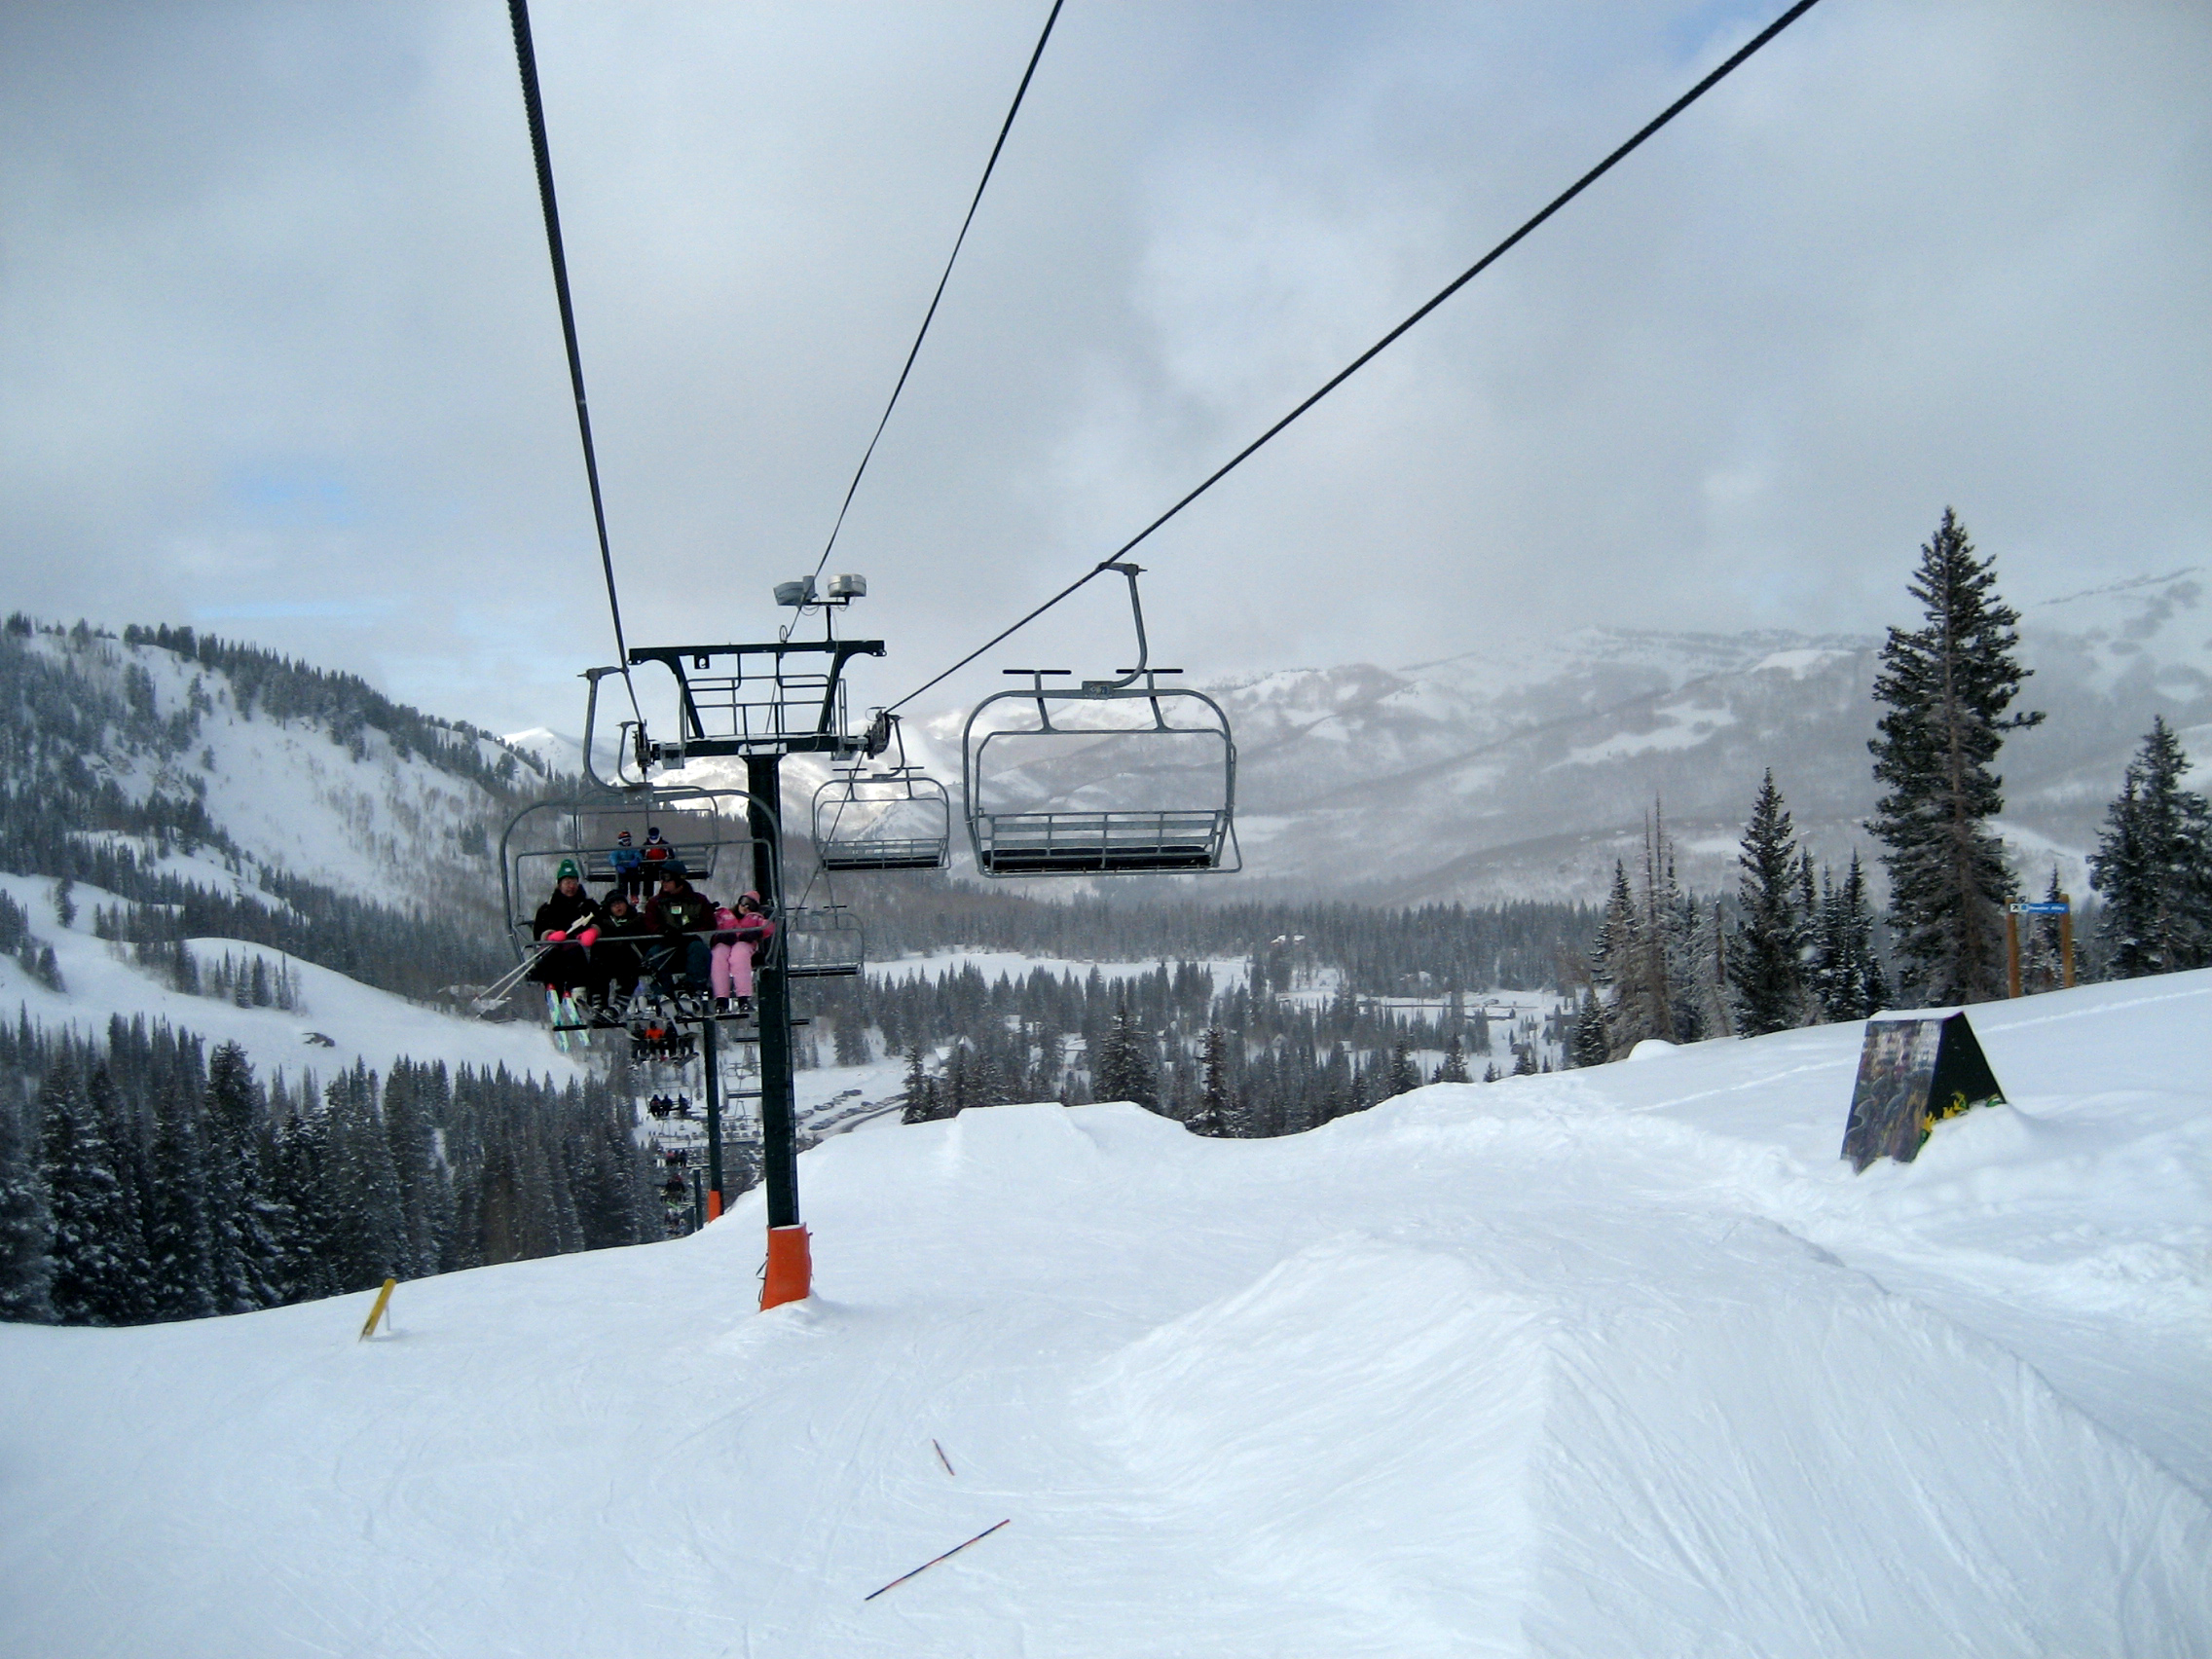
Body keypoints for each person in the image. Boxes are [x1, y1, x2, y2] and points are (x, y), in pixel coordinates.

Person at [642, 866, 718, 1005]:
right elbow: (650, 924)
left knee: (699, 950)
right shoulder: (656, 903)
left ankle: (693, 990)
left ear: (679, 880)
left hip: (690, 943)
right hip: (666, 943)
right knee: (655, 955)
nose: (663, 882)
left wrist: (692, 930)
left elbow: (710, 924)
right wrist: (663, 931)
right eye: (661, 878)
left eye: (666, 878)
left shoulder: (698, 900)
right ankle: (664, 993)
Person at [530, 859, 600, 1000]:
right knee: (551, 961)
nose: (571, 886)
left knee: (578, 959)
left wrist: (593, 931)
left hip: (579, 949)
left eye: (573, 882)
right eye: (567, 882)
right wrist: (549, 936)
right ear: (559, 884)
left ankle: (578, 993)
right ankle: (554, 994)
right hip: (556, 950)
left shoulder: (588, 905)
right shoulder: (548, 908)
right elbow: (539, 931)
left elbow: (599, 920)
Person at [586, 886, 651, 1014]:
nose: (618, 907)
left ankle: (619, 1005)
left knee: (629, 973)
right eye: (614, 904)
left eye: (620, 903)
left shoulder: (637, 919)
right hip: (607, 959)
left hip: (630, 958)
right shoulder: (603, 922)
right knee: (597, 969)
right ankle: (599, 1002)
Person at [711, 890, 777, 1014]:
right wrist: (719, 936)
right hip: (725, 943)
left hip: (743, 944)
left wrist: (757, 932)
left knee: (739, 955)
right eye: (744, 902)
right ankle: (721, 999)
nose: (745, 907)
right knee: (718, 955)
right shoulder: (724, 915)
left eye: (750, 905)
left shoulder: (755, 918)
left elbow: (769, 926)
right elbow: (712, 924)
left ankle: (743, 998)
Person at [608, 830, 647, 901]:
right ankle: (623, 895)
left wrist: (637, 859)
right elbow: (612, 857)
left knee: (635, 880)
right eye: (625, 840)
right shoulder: (618, 850)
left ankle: (634, 895)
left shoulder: (632, 849)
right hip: (622, 868)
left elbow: (638, 854)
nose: (627, 842)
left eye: (628, 840)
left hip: (632, 868)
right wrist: (617, 864)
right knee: (622, 882)